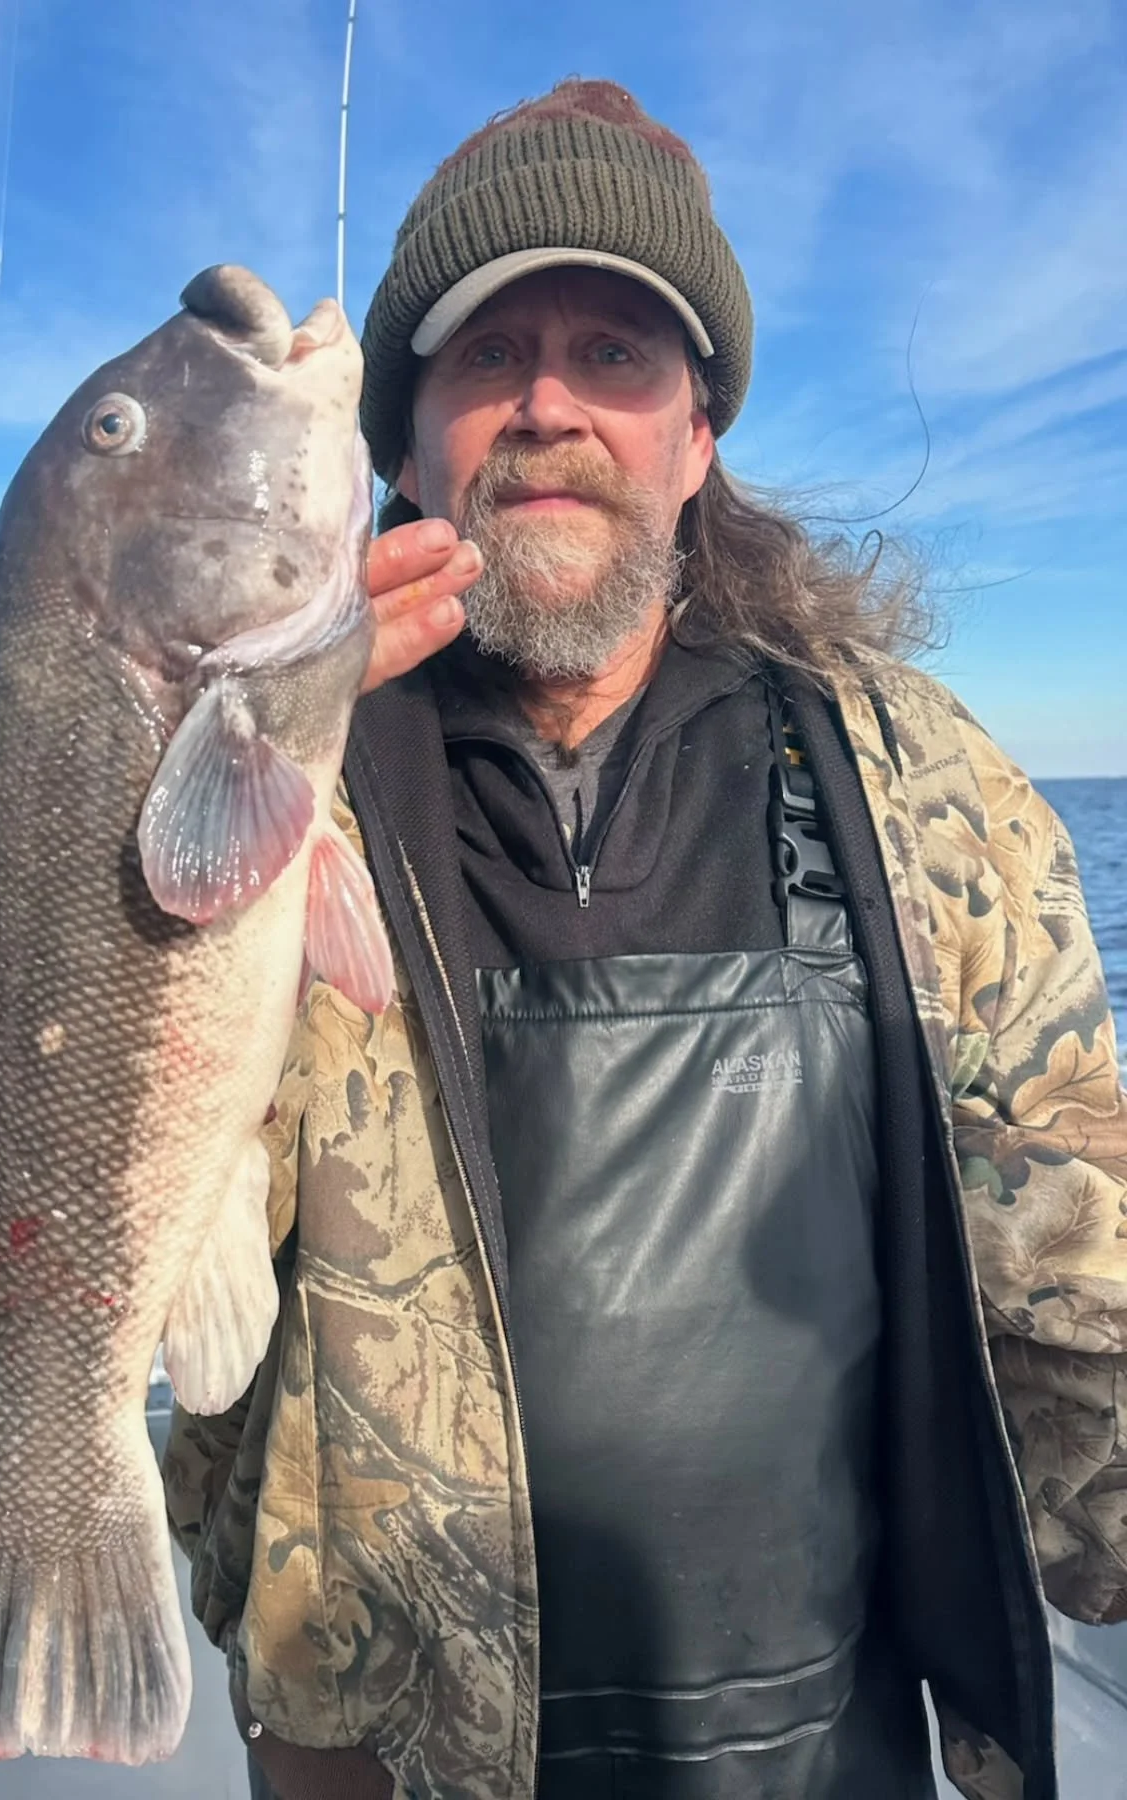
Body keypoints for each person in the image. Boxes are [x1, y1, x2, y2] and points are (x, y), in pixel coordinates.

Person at [166, 79, 1127, 1800]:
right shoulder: (255, 792)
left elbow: (1075, 1262)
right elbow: (133, 1206)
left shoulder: (925, 792)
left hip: (820, 1743)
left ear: (698, 439)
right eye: (489, 354)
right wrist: (207, 761)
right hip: (377, 1749)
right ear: (400, 448)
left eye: (614, 353)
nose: (549, 405)